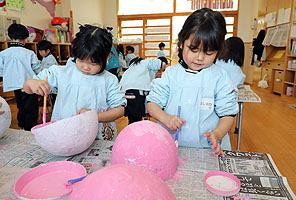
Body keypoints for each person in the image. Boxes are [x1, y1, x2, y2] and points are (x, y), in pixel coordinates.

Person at [146, 8, 239, 156]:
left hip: (207, 150)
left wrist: (218, 133)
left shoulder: (219, 77)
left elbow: (228, 114)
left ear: (218, 51)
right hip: (170, 147)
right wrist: (165, 118)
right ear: (182, 43)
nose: (200, 58)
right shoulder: (171, 74)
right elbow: (152, 104)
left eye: (209, 53)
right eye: (193, 49)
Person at [23, 24, 126, 141]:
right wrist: (31, 83)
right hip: (64, 135)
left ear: (106, 58)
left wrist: (94, 117)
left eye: (93, 63)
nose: (86, 67)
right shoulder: (60, 73)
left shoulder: (109, 80)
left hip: (96, 138)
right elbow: (27, 87)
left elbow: (119, 110)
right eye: (81, 60)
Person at [0, 23, 41, 131]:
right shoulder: (29, 53)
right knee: (31, 108)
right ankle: (30, 129)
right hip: (28, 85)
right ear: (26, 38)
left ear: (9, 36)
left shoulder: (3, 53)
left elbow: (1, 70)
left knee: (20, 106)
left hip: (14, 85)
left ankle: (22, 126)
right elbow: (37, 68)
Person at [120, 57, 166, 124]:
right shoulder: (145, 62)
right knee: (137, 120)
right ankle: (137, 133)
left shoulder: (129, 69)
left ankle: (131, 132)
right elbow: (163, 64)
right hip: (137, 93)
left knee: (132, 119)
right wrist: (159, 72)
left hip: (126, 94)